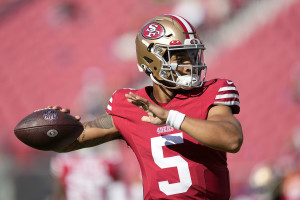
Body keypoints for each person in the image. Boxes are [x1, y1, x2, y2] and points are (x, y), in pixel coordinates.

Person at [49, 14, 243, 199]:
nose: (190, 65)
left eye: (192, 56)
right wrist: (52, 125)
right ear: (153, 61)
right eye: (180, 57)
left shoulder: (211, 92)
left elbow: (232, 139)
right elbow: (71, 141)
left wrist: (170, 117)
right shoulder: (130, 104)